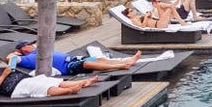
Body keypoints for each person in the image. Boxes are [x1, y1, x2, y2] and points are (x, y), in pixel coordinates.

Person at [0, 57, 98, 98]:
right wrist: (4, 75)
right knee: (41, 87)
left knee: (50, 80)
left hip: (24, 79)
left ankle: (84, 82)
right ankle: (70, 90)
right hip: (16, 87)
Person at [8, 41, 142, 76]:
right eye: (28, 45)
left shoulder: (37, 49)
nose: (32, 45)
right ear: (23, 49)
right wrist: (16, 53)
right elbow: (10, 59)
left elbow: (37, 44)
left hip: (73, 59)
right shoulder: (27, 59)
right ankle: (120, 65)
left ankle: (125, 61)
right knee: (88, 63)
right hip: (68, 68)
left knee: (97, 59)